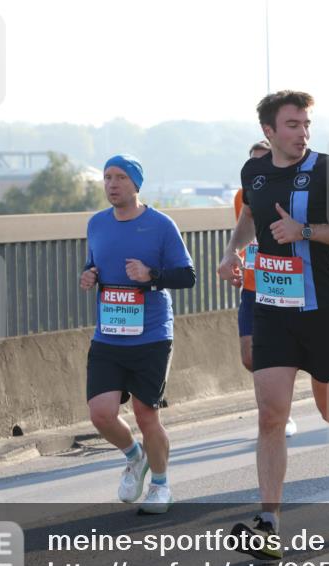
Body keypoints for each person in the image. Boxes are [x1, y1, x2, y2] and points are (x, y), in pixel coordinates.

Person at [217, 91, 329, 558]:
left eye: (306, 123)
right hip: (271, 307)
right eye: (292, 124)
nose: (302, 132)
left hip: (323, 310)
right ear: (269, 132)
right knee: (271, 415)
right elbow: (251, 214)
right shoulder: (255, 172)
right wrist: (233, 251)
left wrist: (305, 231)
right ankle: (268, 524)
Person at [80, 154, 196, 514]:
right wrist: (89, 276)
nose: (112, 184)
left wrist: (151, 275)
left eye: (120, 178)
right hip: (109, 334)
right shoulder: (97, 223)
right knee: (100, 413)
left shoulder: (161, 225)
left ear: (136, 184)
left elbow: (187, 276)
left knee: (147, 415)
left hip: (151, 335)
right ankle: (135, 456)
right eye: (107, 177)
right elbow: (93, 263)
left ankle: (161, 486)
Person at [233, 140, 297, 437]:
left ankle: (280, 410)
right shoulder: (241, 197)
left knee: (282, 355)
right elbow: (243, 236)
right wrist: (232, 259)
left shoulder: (289, 194)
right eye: (253, 164)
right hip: (251, 286)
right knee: (249, 356)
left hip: (284, 285)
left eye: (264, 161)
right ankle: (275, 406)